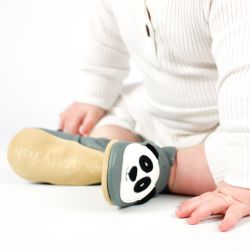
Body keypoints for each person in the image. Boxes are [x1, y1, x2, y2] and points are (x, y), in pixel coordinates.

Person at [7, 0, 250, 232]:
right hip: (157, 110)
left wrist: (241, 183)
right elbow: (107, 36)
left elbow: (242, 82)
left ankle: (165, 169)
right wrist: (94, 95)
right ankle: (106, 155)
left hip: (227, 124)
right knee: (120, 108)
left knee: (235, 156)